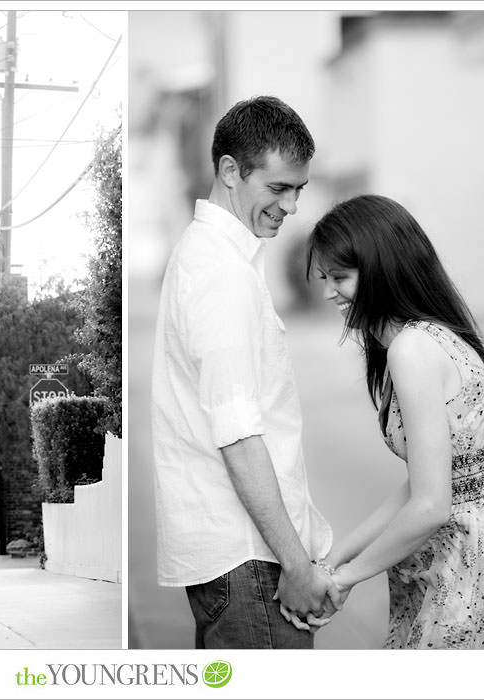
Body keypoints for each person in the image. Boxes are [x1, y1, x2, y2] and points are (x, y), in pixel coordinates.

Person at [304, 193, 484, 648]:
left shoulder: (411, 350)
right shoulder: (437, 336)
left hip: (469, 572)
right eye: (324, 277)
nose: (328, 291)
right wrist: (337, 561)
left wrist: (344, 579)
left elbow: (432, 505)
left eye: (340, 277)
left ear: (380, 270)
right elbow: (425, 485)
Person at [150, 95, 338, 649]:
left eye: (299, 189)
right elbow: (238, 436)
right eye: (278, 188)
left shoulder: (210, 257)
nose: (292, 205)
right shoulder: (221, 275)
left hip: (239, 563)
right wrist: (295, 564)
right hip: (251, 563)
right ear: (230, 171)